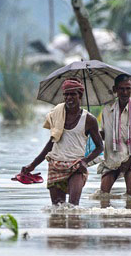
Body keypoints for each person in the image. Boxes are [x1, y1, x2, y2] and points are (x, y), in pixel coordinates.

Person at [22, 78, 103, 206]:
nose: (69, 97)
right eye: (66, 94)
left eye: (73, 94)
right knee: (57, 208)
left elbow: (99, 147)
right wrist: (33, 165)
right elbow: (51, 143)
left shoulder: (89, 120)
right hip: (55, 164)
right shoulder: (56, 114)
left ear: (80, 95)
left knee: (73, 206)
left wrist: (85, 161)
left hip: (76, 166)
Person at [98, 74, 131, 198]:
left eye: (128, 88)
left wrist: (128, 162)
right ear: (115, 89)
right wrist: (93, 132)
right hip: (111, 159)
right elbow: (104, 134)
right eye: (121, 89)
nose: (125, 92)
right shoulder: (107, 110)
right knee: (103, 196)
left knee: (130, 198)